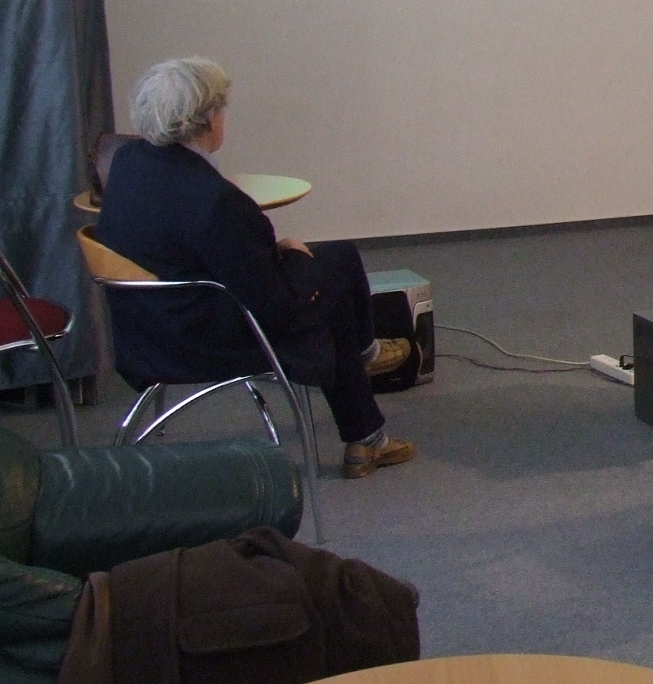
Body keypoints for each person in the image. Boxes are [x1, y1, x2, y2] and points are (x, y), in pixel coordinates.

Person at [95, 58, 414, 478]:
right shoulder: (214, 200)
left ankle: (367, 422)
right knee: (332, 277)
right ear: (209, 118)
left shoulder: (128, 161)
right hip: (204, 340)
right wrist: (294, 254)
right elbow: (276, 307)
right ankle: (364, 380)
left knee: (334, 266)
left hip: (145, 330)